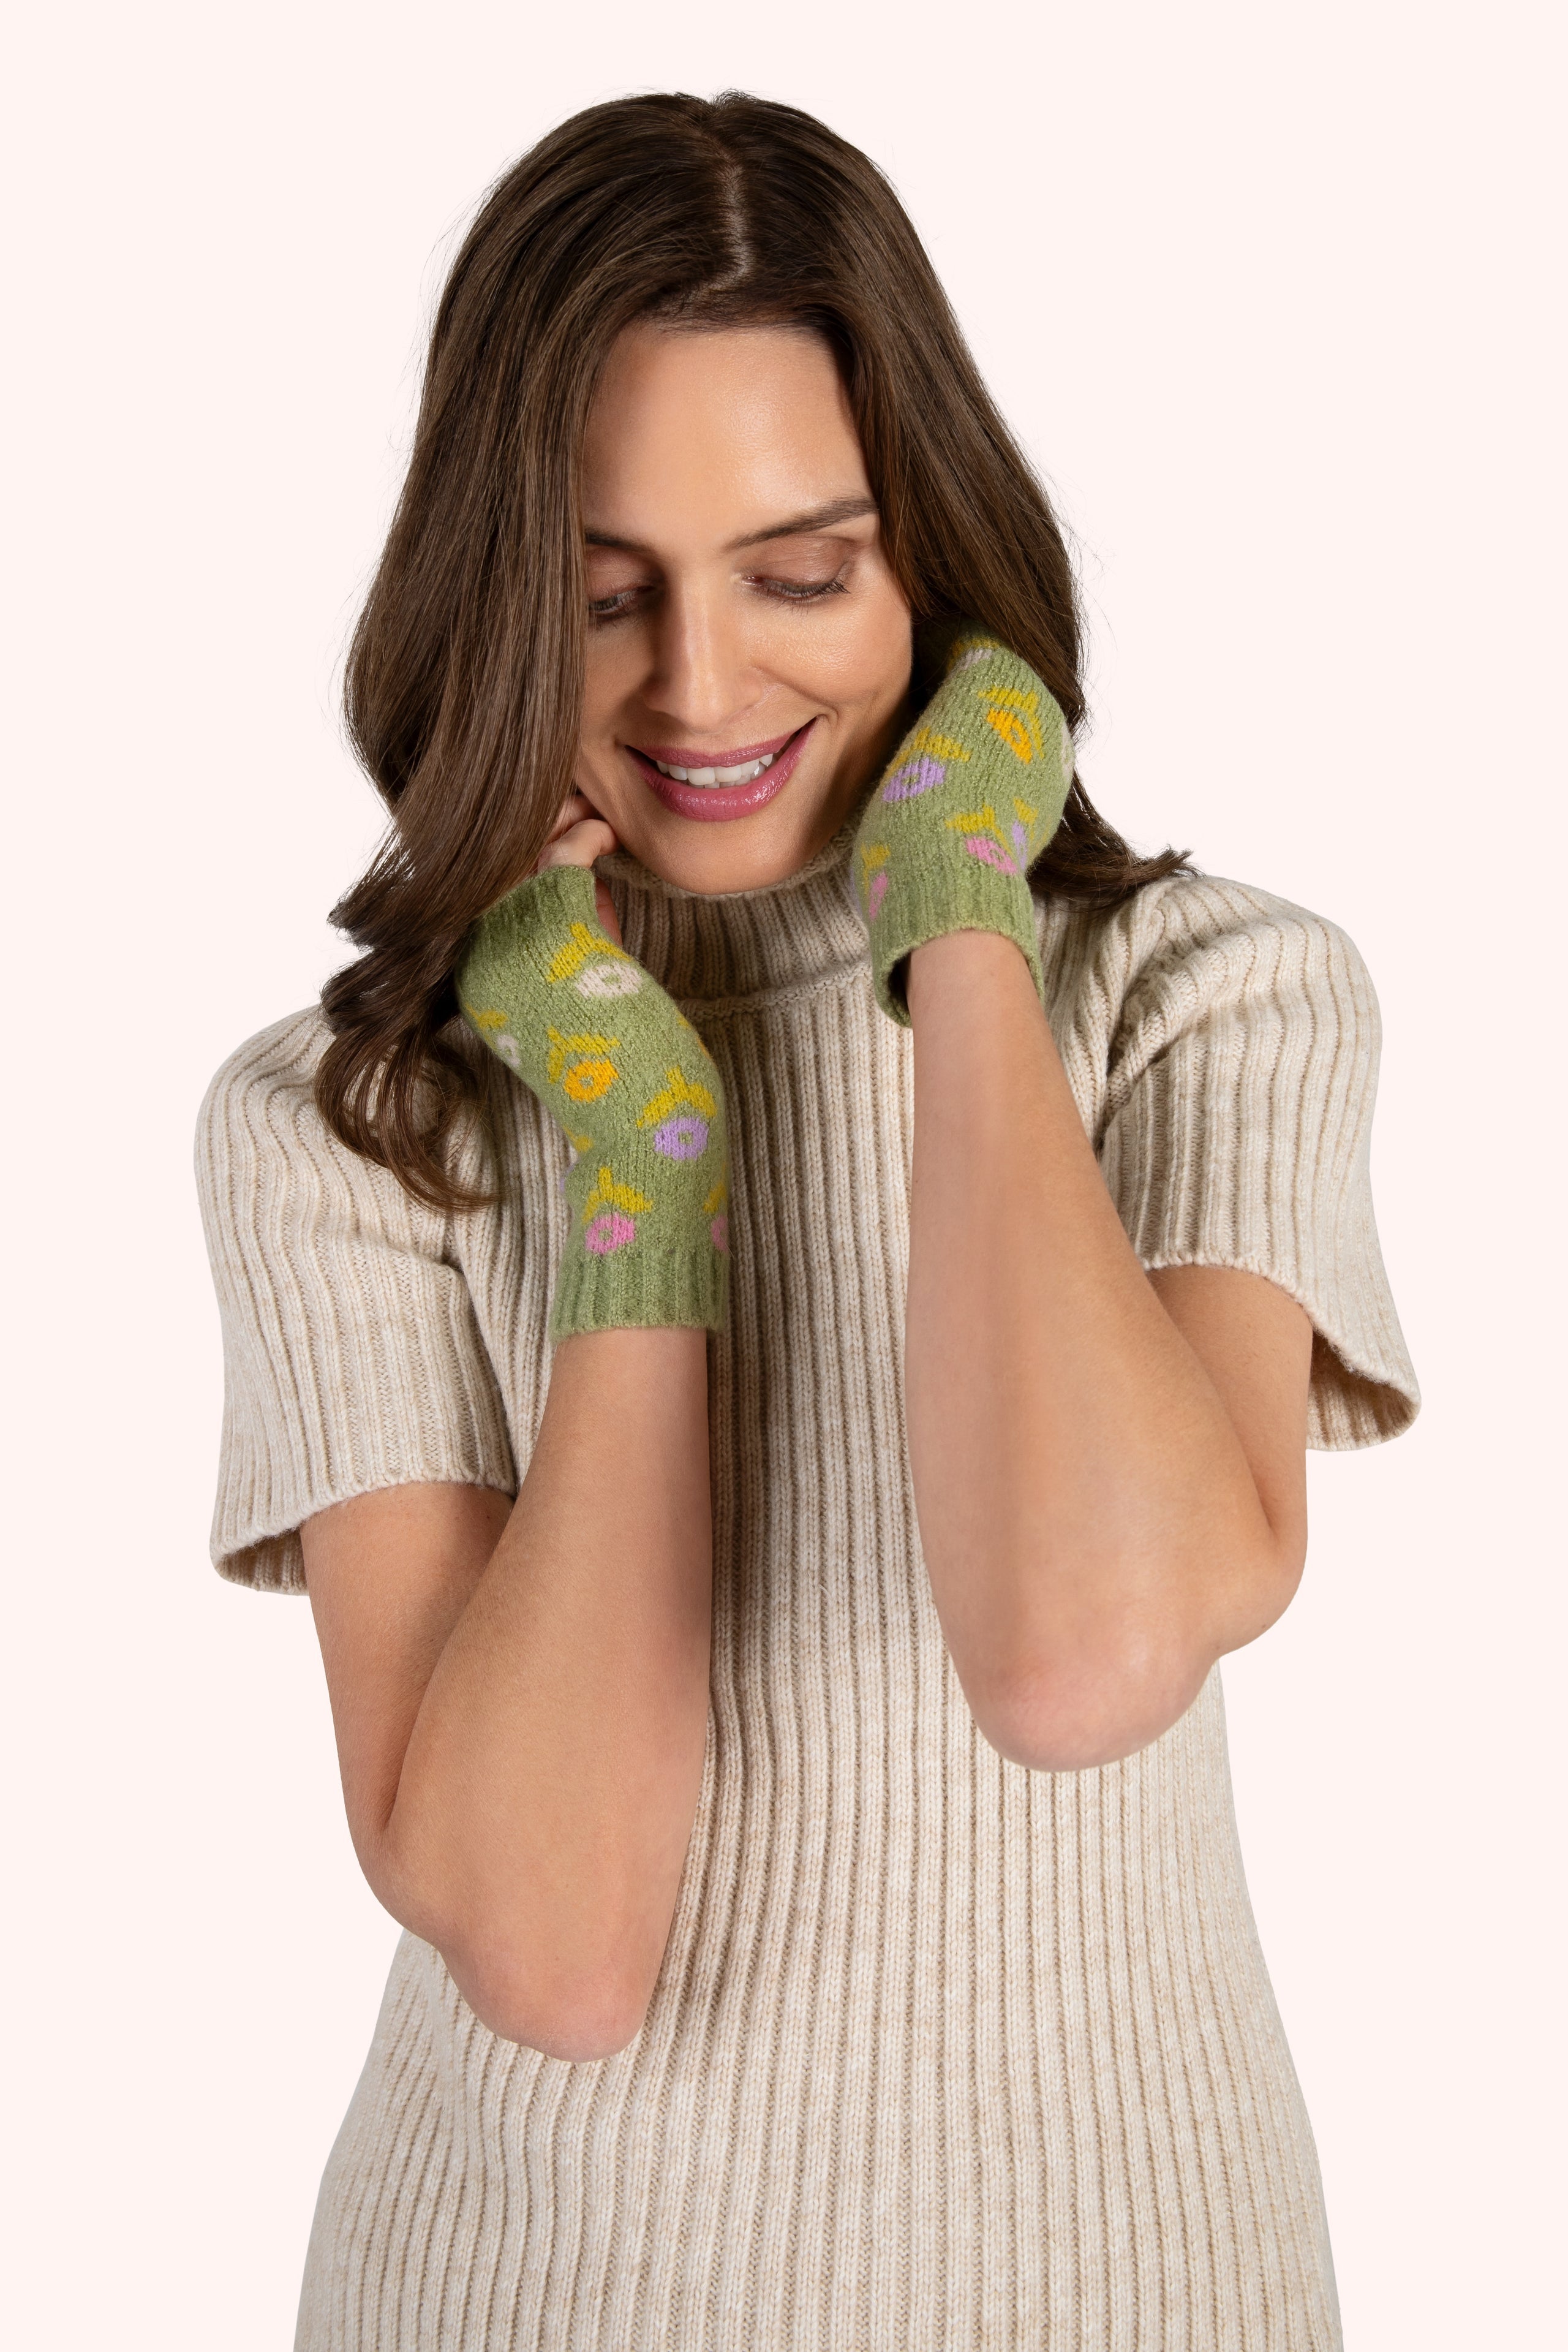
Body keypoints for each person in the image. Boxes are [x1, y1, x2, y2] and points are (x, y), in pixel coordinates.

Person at [196, 89, 1418, 2352]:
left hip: (1136, 2296)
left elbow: (1079, 1653)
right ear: (494, 603)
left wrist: (956, 914)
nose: (699, 685)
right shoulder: (356, 1125)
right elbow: (554, 1946)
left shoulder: (1208, 1003)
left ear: (928, 558)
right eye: (605, 596)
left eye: (799, 572)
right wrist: (640, 1153)